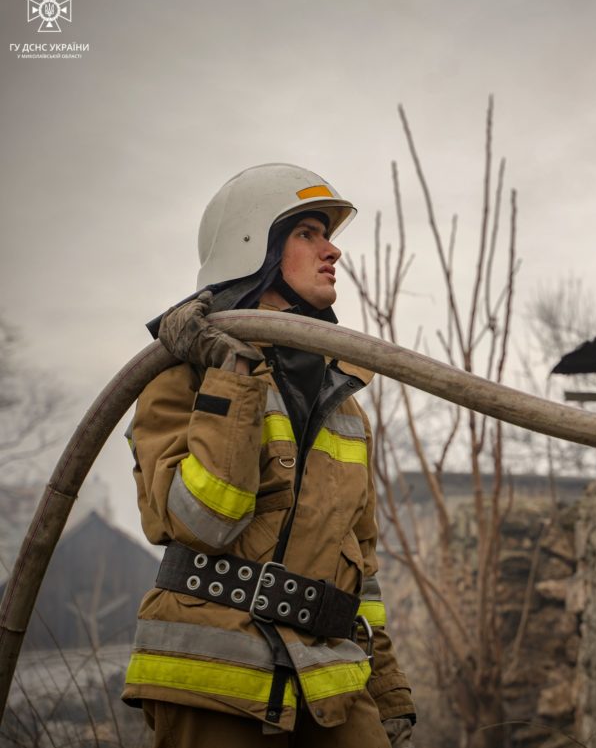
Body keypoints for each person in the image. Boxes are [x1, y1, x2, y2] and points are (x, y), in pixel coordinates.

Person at [121, 163, 415, 747]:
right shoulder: (179, 372)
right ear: (253, 245)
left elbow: (362, 567)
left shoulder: (343, 400)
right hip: (212, 682)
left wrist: (387, 692)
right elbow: (204, 521)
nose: (333, 251)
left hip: (330, 685)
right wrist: (230, 377)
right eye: (308, 233)